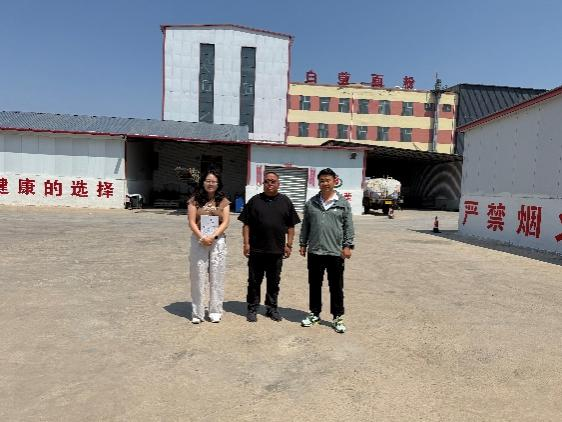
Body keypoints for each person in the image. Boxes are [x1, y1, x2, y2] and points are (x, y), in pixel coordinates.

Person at [238, 171, 301, 322]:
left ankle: (271, 308)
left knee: (274, 282)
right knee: (254, 281)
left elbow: (291, 226)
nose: (269, 184)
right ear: (263, 183)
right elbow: (246, 224)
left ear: (278, 184)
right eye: (267, 181)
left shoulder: (285, 201)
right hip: (256, 250)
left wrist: (289, 244)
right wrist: (246, 243)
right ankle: (252, 308)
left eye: (273, 181)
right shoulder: (255, 201)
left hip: (276, 250)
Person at [299, 168, 354, 333]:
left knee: (336, 286)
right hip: (315, 251)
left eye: (328, 180)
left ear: (334, 181)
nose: (325, 183)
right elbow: (306, 225)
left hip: (335, 252)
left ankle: (337, 317)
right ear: (319, 182)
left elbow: (348, 227)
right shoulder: (311, 203)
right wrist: (303, 243)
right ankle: (314, 314)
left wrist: (347, 246)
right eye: (322, 180)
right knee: (314, 285)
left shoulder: (342, 204)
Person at [187, 170, 230, 324]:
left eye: (214, 181)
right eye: (208, 181)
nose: (211, 184)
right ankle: (197, 312)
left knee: (217, 276)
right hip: (199, 240)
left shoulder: (223, 201)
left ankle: (215, 311)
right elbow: (191, 221)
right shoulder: (194, 200)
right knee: (198, 275)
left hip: (217, 241)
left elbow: (226, 222)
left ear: (218, 184)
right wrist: (202, 237)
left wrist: (214, 236)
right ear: (203, 182)